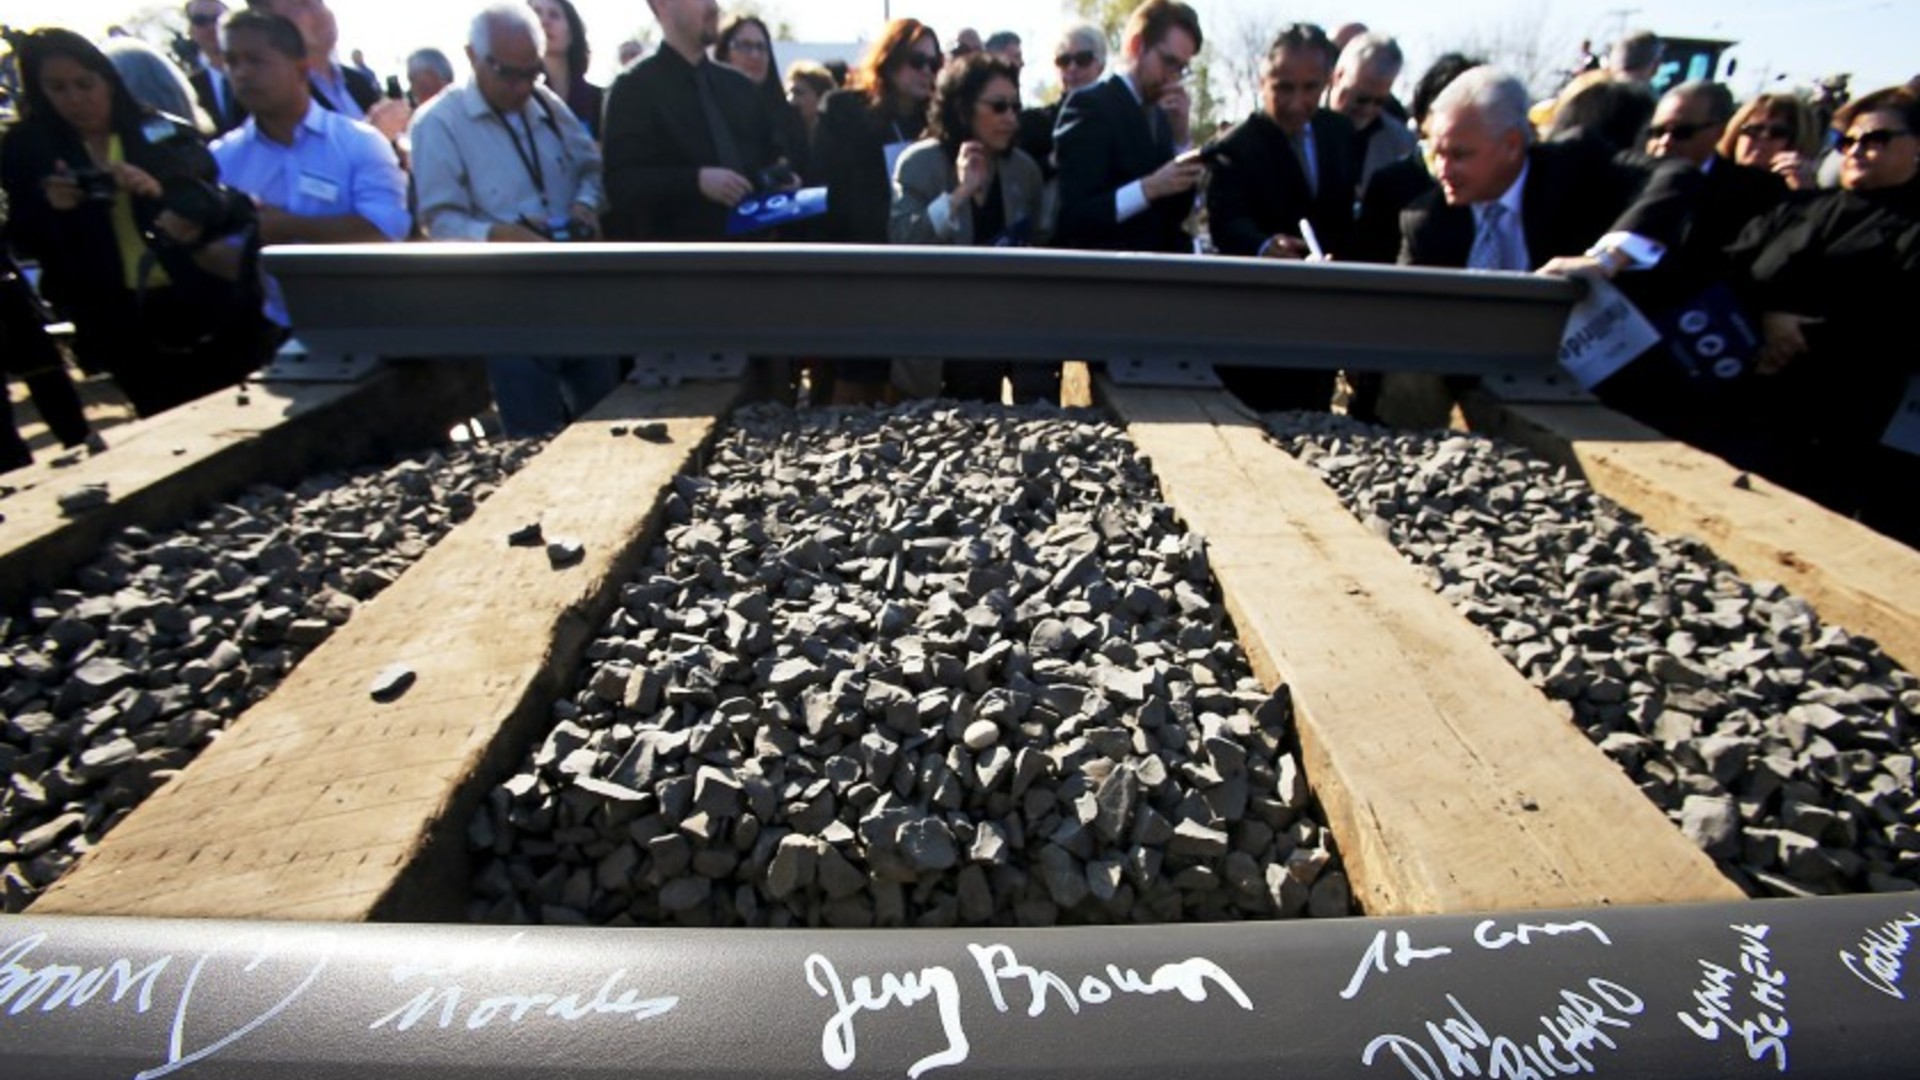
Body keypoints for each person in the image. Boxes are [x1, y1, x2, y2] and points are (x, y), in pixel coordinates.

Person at [0, 27, 265, 416]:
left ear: (107, 79)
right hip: (118, 318)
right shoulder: (30, 151)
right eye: (58, 88)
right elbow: (22, 241)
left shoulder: (155, 129)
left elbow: (208, 189)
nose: (75, 99)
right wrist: (51, 206)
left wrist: (157, 190)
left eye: (84, 84)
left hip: (201, 302)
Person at [1724, 85, 1920, 544]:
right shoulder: (1802, 207)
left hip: (1838, 426)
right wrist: (1768, 317)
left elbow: (1900, 317)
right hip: (1746, 401)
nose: (1856, 151)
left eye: (1875, 139)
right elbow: (1734, 266)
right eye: (1847, 141)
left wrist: (1804, 336)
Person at [411, 3, 614, 437]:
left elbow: (590, 169)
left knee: (604, 422)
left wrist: (584, 205)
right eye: (508, 74)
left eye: (531, 72)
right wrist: (497, 235)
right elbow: (438, 221)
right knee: (532, 436)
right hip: (507, 302)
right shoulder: (439, 123)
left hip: (574, 291)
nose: (521, 86)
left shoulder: (546, 104)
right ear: (472, 56)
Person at [204, 10, 410, 332]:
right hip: (276, 332)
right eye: (231, 61)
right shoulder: (222, 159)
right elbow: (214, 252)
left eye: (255, 60)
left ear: (301, 69)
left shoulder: (358, 144)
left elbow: (387, 231)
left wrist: (287, 227)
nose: (241, 73)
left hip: (374, 325)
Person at [1206, 23, 1357, 413]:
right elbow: (1227, 223)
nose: (1296, 102)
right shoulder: (1235, 147)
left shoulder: (1339, 134)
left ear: (1327, 82)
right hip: (1255, 325)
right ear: (1263, 81)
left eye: (1310, 89)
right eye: (1284, 88)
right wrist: (1263, 245)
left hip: (1321, 324)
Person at [890, 52, 1051, 403]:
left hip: (1006, 327)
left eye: (1014, 106)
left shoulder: (1024, 171)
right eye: (998, 106)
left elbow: (1037, 240)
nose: (1010, 117)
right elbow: (904, 239)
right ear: (963, 109)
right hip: (939, 335)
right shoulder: (920, 164)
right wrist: (959, 194)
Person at [811, 18, 941, 402]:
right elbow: (825, 192)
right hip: (856, 269)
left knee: (907, 392)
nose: (927, 72)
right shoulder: (844, 109)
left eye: (935, 64)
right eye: (918, 60)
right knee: (853, 385)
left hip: (913, 273)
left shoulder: (932, 123)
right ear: (891, 56)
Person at [601, 0, 782, 241]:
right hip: (677, 266)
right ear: (662, 5)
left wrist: (780, 179)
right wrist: (696, 181)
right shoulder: (634, 89)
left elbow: (771, 158)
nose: (713, 7)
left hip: (750, 262)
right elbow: (622, 185)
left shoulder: (740, 88)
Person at [1052, 0, 1204, 254]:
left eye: (1181, 68)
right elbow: (1076, 218)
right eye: (1168, 62)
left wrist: (1181, 139)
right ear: (1137, 46)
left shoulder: (1163, 117)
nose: (1173, 77)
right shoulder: (1090, 106)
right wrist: (1150, 187)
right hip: (1109, 278)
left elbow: (1174, 215)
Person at [243, 0, 409, 141]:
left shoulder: (357, 81)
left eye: (319, 1)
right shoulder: (270, 99)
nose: (320, 11)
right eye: (302, 4)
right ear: (269, 23)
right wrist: (372, 138)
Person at [1330, 32, 1415, 202]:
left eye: (1379, 101)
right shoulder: (1303, 126)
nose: (1368, 109)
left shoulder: (1401, 143)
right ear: (1338, 76)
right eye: (1361, 99)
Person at [715, 14, 802, 172]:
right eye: (744, 46)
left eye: (761, 47)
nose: (755, 55)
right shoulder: (709, 112)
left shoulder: (788, 118)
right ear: (724, 53)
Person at [1019, 22, 1105, 180]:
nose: (1072, 68)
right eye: (1064, 61)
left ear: (1100, 66)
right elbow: (1017, 180)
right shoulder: (1034, 123)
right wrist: (1054, 160)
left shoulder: (1118, 117)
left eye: (1082, 59)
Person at [1719, 92, 1821, 191]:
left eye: (1778, 132)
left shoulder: (1799, 196)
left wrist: (1804, 192)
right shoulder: (1710, 178)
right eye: (1754, 129)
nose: (1763, 137)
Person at [530, 0, 602, 138]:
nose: (544, 22)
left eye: (554, 15)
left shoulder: (599, 100)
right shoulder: (517, 100)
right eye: (536, 14)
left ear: (572, 33)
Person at [185, 0, 247, 133]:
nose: (211, 27)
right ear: (191, 31)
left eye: (218, 19)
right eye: (200, 20)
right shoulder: (188, 89)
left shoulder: (263, 72)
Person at [784, 60, 833, 178]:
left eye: (798, 93)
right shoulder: (786, 135)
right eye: (788, 93)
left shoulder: (835, 136)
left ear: (820, 96)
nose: (791, 100)